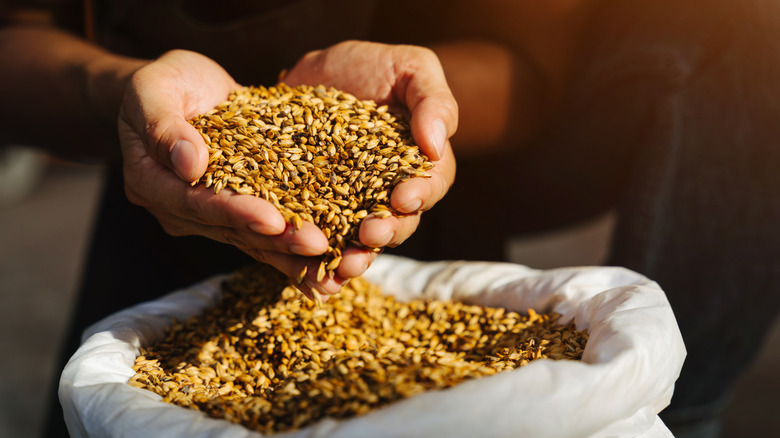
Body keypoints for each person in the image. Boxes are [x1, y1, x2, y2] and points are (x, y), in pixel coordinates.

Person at [1, 1, 778, 437]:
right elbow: (16, 42)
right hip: (166, 166)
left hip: (437, 182)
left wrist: (422, 105)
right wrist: (125, 93)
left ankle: (690, 408)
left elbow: (531, 66)